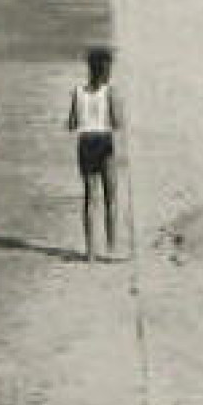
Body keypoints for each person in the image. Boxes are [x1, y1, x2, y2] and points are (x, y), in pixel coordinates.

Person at [67, 47, 124, 262]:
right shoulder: (110, 91)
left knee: (90, 198)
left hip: (86, 142)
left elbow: (72, 124)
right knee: (111, 197)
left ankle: (90, 251)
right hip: (104, 141)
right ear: (105, 69)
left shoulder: (77, 91)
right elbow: (116, 122)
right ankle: (111, 248)